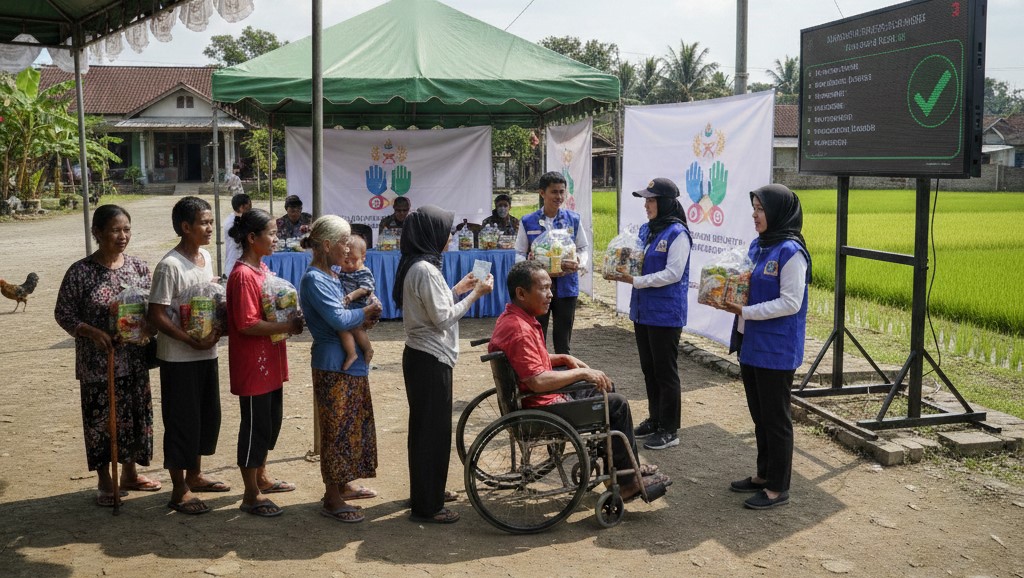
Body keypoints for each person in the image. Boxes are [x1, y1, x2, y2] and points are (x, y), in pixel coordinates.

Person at [489, 260, 670, 501]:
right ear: (521, 293)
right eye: (543, 288)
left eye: (550, 288)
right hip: (542, 405)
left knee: (604, 387)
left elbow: (531, 361)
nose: (550, 294)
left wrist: (563, 357)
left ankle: (622, 469)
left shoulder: (514, 318)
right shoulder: (520, 329)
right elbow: (537, 381)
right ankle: (627, 483)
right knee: (617, 404)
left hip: (533, 400)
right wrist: (582, 373)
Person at [55, 205, 162, 507]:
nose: (122, 236)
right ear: (97, 233)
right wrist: (91, 332)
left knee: (135, 416)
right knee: (102, 420)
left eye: (126, 229)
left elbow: (153, 308)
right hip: (98, 363)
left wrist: (147, 329)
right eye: (115, 230)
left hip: (134, 359)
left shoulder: (139, 268)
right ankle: (105, 478)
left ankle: (130, 472)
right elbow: (63, 313)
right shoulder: (81, 272)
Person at [395, 205, 493, 524]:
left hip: (424, 356)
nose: (450, 237)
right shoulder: (425, 269)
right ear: (432, 235)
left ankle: (429, 491)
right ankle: (427, 505)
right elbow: (441, 319)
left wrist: (459, 289)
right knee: (431, 433)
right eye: (447, 231)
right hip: (429, 358)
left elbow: (432, 307)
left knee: (426, 431)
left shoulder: (419, 266)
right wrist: (475, 295)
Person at [719, 184, 811, 510]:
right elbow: (746, 283)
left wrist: (745, 311)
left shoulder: (790, 252)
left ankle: (777, 488)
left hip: (776, 348)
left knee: (776, 418)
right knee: (760, 415)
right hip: (751, 343)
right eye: (754, 208)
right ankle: (763, 474)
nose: (755, 215)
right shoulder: (759, 246)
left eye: (760, 209)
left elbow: (790, 302)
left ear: (777, 213)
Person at [299, 215, 384, 524]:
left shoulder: (334, 276)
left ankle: (344, 483)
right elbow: (338, 319)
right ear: (326, 245)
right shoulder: (315, 279)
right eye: (345, 242)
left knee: (351, 427)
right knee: (336, 431)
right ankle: (331, 498)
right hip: (333, 364)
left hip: (351, 365)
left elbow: (349, 316)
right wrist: (365, 313)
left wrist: (364, 318)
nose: (349, 248)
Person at [146, 196, 228, 515]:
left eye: (211, 222)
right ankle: (179, 489)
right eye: (204, 223)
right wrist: (188, 340)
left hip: (206, 353)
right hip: (178, 358)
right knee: (182, 421)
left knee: (206, 418)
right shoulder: (170, 266)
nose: (210, 228)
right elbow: (157, 314)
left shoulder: (205, 257)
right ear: (185, 227)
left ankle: (195, 474)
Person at [226, 209, 304, 517]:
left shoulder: (262, 269)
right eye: (270, 233)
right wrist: (287, 326)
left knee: (270, 422)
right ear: (252, 238)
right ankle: (250, 494)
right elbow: (246, 324)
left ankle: (261, 476)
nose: (275, 238)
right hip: (252, 364)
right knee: (255, 426)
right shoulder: (243, 275)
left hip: (269, 360)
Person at [613, 178, 692, 451]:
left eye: (651, 200)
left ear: (666, 203)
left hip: (665, 314)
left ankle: (670, 429)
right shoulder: (648, 229)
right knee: (649, 369)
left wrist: (637, 281)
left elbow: (674, 273)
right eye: (646, 200)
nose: (646, 205)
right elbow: (635, 259)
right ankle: (655, 418)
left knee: (665, 372)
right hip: (643, 311)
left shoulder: (677, 233)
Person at [515, 171, 589, 355]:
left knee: (563, 338)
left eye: (562, 192)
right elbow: (519, 253)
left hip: (566, 286)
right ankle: (540, 373)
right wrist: (528, 271)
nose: (559, 197)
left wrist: (579, 261)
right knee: (537, 333)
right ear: (542, 193)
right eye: (554, 192)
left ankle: (563, 375)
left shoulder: (573, 219)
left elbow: (583, 248)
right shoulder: (528, 221)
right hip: (537, 287)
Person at [337, 235, 377, 370]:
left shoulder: (363, 272)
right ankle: (351, 353)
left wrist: (351, 296)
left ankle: (367, 349)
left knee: (356, 328)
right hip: (347, 307)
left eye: (353, 260)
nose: (348, 265)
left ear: (363, 257)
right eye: (345, 260)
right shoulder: (342, 270)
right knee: (341, 327)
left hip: (360, 305)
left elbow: (366, 288)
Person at [222, 192, 251, 277]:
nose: (251, 208)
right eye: (249, 205)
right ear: (242, 207)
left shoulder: (243, 220)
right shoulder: (230, 222)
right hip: (234, 264)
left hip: (242, 263)